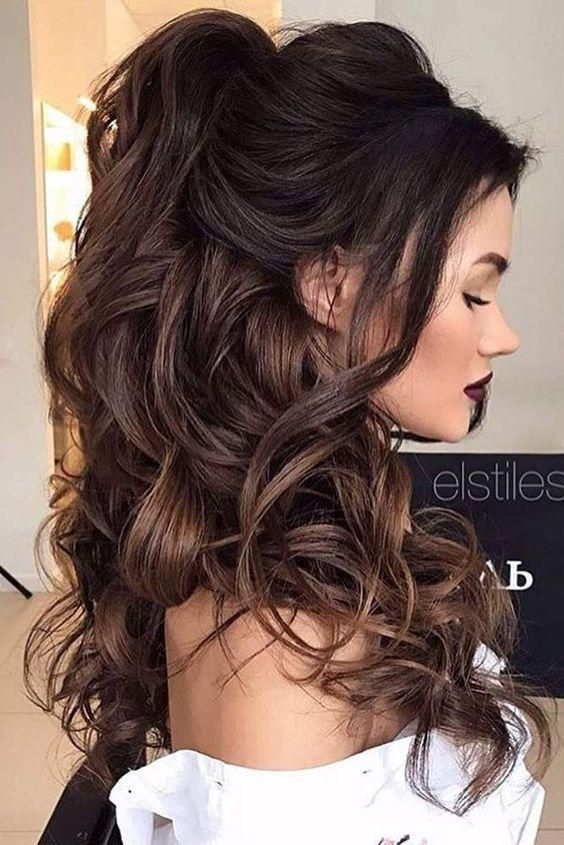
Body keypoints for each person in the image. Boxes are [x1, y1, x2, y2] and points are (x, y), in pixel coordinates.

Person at [23, 8, 557, 845]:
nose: (504, 334)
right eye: (475, 293)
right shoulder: (281, 637)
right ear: (330, 286)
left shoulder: (312, 543)